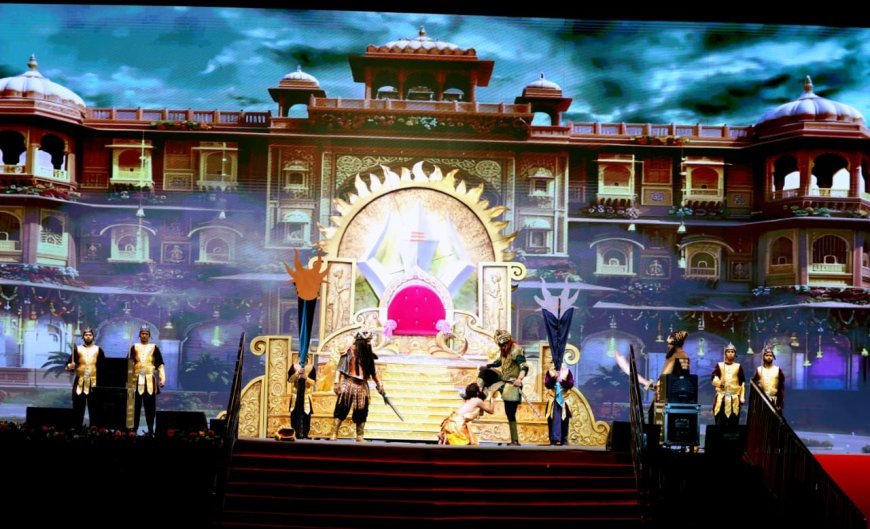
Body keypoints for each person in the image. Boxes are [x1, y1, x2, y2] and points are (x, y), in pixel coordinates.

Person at [329, 331, 384, 442]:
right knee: (341, 408)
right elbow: (340, 369)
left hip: (362, 386)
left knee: (362, 411)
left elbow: (373, 373)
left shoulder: (368, 355)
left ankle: (360, 435)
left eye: (369, 341)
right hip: (348, 383)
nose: (369, 344)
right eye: (367, 341)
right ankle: (334, 432)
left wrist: (379, 384)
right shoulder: (349, 352)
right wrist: (336, 382)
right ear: (361, 342)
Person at [477, 329, 528, 446]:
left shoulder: (516, 351)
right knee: (484, 371)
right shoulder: (503, 350)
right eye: (501, 346)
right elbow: (499, 362)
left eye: (504, 345)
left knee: (510, 412)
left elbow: (524, 367)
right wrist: (489, 365)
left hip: (512, 383)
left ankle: (515, 440)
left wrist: (519, 379)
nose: (503, 347)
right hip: (502, 380)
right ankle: (478, 395)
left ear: (509, 342)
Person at [65, 326, 106, 429]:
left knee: (95, 408)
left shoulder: (99, 350)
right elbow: (68, 366)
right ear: (83, 337)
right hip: (80, 381)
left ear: (93, 337)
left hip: (94, 383)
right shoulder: (77, 350)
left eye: (90, 335)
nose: (88, 337)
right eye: (86, 335)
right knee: (78, 407)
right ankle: (77, 429)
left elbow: (103, 367)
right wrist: (70, 366)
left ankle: (94, 430)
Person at [129, 325, 165, 435]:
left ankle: (150, 429)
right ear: (139, 335)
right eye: (142, 333)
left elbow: (160, 365)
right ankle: (133, 430)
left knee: (150, 407)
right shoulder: (134, 347)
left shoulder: (154, 348)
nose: (144, 335)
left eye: (146, 334)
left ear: (149, 335)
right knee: (135, 407)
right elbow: (128, 365)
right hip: (136, 381)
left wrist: (162, 378)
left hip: (149, 382)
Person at [712, 342, 745, 427]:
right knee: (720, 420)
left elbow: (742, 382)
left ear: (735, 354)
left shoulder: (738, 366)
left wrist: (742, 397)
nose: (730, 353)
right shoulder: (720, 365)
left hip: (734, 397)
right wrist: (720, 383)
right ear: (725, 353)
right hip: (721, 396)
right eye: (728, 351)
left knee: (733, 421)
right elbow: (713, 377)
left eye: (732, 352)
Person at [544, 359, 574, 445]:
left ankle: (563, 439)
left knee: (564, 419)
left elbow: (571, 384)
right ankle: (553, 439)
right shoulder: (550, 371)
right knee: (552, 419)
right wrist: (554, 378)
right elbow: (547, 384)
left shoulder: (567, 371)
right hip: (552, 399)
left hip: (564, 399)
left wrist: (561, 380)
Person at [654, 330, 690, 399]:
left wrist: (659, 384)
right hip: (676, 390)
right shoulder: (682, 355)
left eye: (670, 344)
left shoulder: (677, 356)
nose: (668, 346)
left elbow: (666, 374)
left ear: (675, 345)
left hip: (671, 391)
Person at [288, 358, 316, 439]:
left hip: (306, 395)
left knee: (306, 414)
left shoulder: (311, 367)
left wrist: (306, 377)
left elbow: (313, 382)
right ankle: (295, 433)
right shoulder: (294, 366)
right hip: (295, 395)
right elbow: (290, 380)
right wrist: (297, 373)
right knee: (294, 414)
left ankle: (305, 433)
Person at [752, 346, 785, 412]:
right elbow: (754, 387)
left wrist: (780, 402)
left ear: (773, 357)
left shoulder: (778, 370)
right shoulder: (759, 370)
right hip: (761, 402)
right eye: (767, 355)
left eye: (770, 355)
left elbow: (781, 387)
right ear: (763, 357)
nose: (769, 357)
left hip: (774, 401)